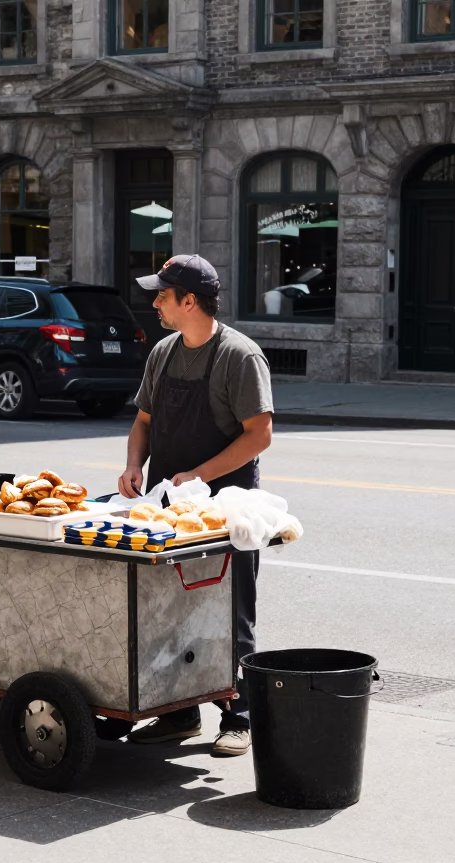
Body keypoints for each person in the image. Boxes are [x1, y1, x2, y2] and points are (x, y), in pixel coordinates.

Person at [118, 254, 274, 757]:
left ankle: (239, 716)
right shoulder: (163, 353)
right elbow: (143, 420)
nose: (155, 302)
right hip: (171, 510)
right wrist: (133, 466)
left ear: (190, 301)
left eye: (162, 295)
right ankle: (179, 711)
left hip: (226, 511)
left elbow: (260, 436)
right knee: (170, 607)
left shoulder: (239, 356)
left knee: (230, 611)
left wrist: (199, 475)